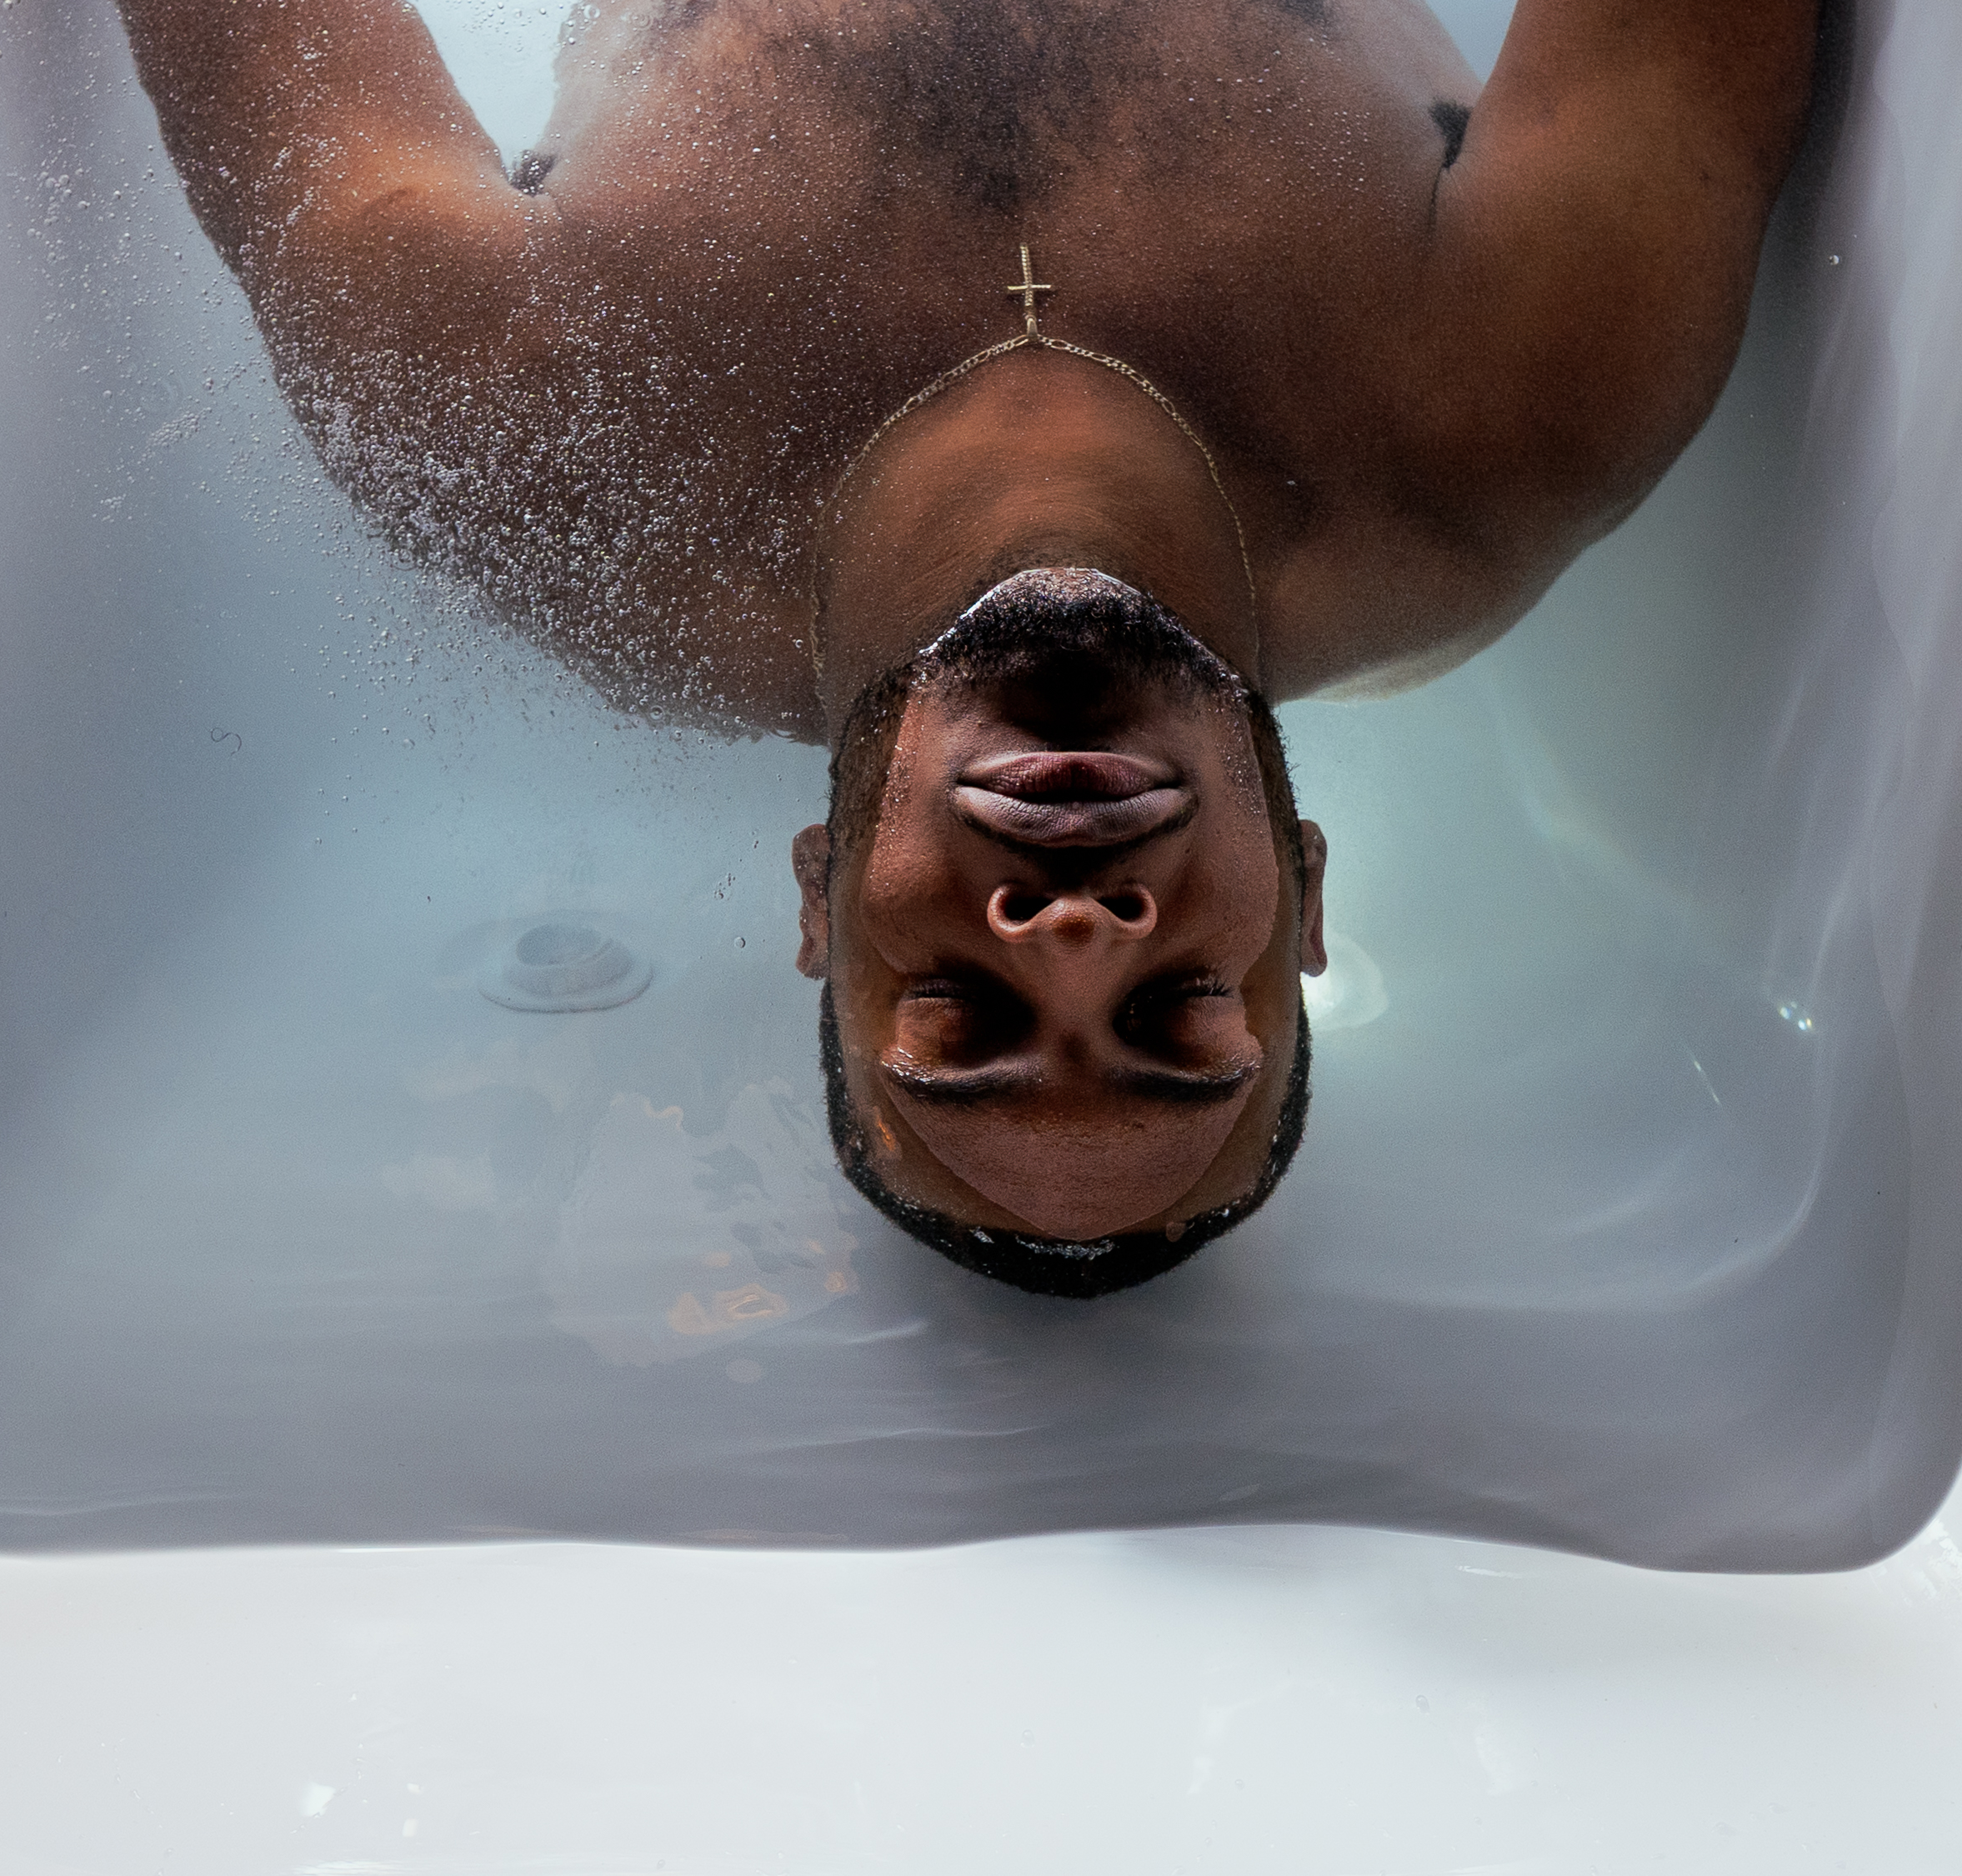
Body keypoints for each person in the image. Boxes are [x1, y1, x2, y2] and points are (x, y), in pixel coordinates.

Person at [114, 0, 1819, 1294]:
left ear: (813, 900)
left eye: (961, 1010)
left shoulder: (550, 460)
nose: (1073, 936)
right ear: (1303, 893)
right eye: (1178, 1011)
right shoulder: (1511, 408)